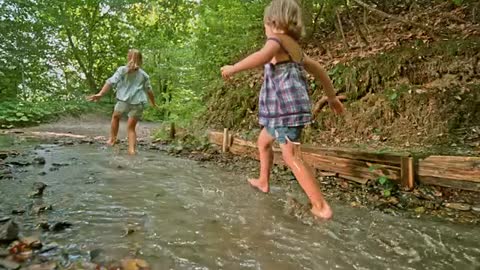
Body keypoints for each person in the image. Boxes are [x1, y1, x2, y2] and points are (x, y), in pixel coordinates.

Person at [221, 0, 345, 219]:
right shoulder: (294, 47)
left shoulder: (276, 41)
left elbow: (260, 57)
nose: (265, 29)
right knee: (263, 142)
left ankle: (320, 205)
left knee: (290, 156)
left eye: (265, 24)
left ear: (273, 22)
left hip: (284, 110)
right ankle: (263, 181)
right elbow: (319, 69)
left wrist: (233, 68)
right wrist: (332, 97)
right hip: (281, 112)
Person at [88, 49, 156, 155]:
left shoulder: (122, 70)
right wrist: (153, 102)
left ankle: (112, 139)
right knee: (131, 128)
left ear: (128, 57)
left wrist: (100, 94)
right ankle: (132, 150)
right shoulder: (144, 75)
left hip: (123, 101)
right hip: (138, 103)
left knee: (116, 117)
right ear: (141, 60)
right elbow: (149, 90)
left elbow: (110, 82)